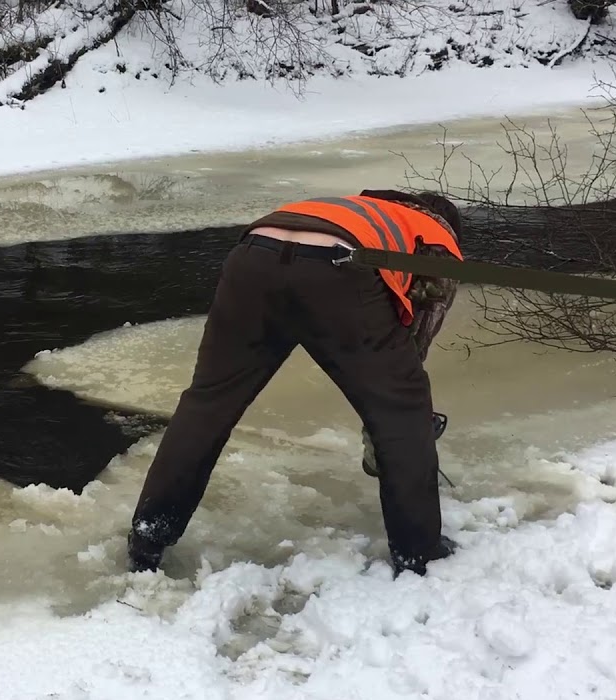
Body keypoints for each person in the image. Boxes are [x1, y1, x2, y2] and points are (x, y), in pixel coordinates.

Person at [126, 189, 464, 578]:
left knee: (208, 402)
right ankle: (418, 551)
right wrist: (392, 418)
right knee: (404, 410)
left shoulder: (363, 208)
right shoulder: (437, 237)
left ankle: (148, 538)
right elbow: (415, 339)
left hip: (252, 256)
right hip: (338, 270)